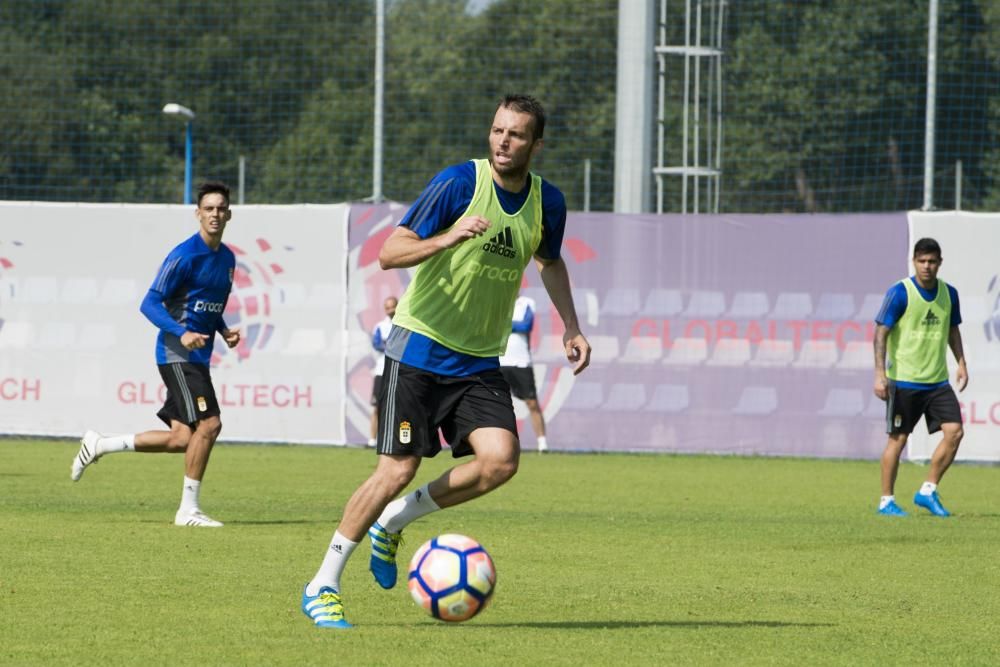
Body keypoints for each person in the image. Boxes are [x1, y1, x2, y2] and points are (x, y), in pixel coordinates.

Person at [300, 94, 591, 629]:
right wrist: (448, 236)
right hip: (419, 348)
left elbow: (550, 263)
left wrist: (572, 325)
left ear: (537, 144)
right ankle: (323, 583)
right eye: (498, 130)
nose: (504, 141)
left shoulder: (548, 202)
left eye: (517, 134)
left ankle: (395, 521)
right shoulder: (460, 183)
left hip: (479, 359)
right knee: (397, 468)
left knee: (500, 460)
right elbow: (390, 251)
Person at [70, 181, 241, 528]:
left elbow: (206, 305)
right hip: (176, 354)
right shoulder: (184, 255)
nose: (215, 214)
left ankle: (100, 444)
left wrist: (223, 330)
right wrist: (182, 332)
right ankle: (187, 510)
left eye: (221, 208)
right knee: (210, 424)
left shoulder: (227, 258)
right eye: (209, 208)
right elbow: (149, 303)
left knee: (182, 438)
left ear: (229, 214)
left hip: (198, 356)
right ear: (198, 214)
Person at [873, 237, 967, 518]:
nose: (927, 266)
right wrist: (880, 374)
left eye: (932, 261)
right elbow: (880, 334)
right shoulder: (899, 293)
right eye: (922, 261)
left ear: (939, 263)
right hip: (903, 381)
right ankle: (886, 501)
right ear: (914, 262)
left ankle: (927, 490)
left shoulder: (949, 294)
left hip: (937, 382)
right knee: (898, 440)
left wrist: (961, 362)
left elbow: (952, 331)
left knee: (955, 432)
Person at [499, 293, 548, 452]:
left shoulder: (527, 302)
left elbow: (526, 325)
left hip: (521, 362)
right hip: (498, 361)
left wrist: (504, 324)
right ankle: (501, 446)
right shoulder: (496, 299)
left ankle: (542, 444)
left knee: (532, 403)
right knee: (498, 405)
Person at [368, 296, 398, 447]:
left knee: (397, 407)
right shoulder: (380, 326)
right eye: (387, 308)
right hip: (381, 371)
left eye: (393, 307)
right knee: (376, 406)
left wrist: (389, 344)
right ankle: (373, 440)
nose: (390, 310)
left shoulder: (403, 325)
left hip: (399, 371)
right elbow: (377, 344)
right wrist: (390, 346)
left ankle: (393, 440)